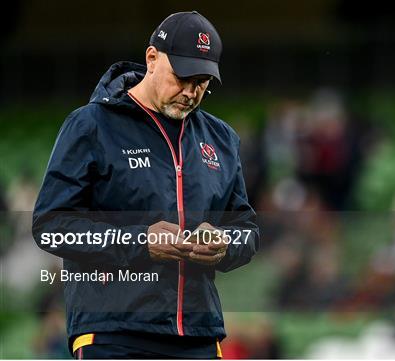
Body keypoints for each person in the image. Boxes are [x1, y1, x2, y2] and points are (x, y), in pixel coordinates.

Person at [32, 11, 259, 359]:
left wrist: (226, 243)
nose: (190, 92)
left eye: (201, 82)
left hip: (199, 334)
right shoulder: (90, 125)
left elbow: (247, 230)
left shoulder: (222, 139)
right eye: (181, 77)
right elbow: (51, 227)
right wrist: (141, 241)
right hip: (114, 334)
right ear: (152, 58)